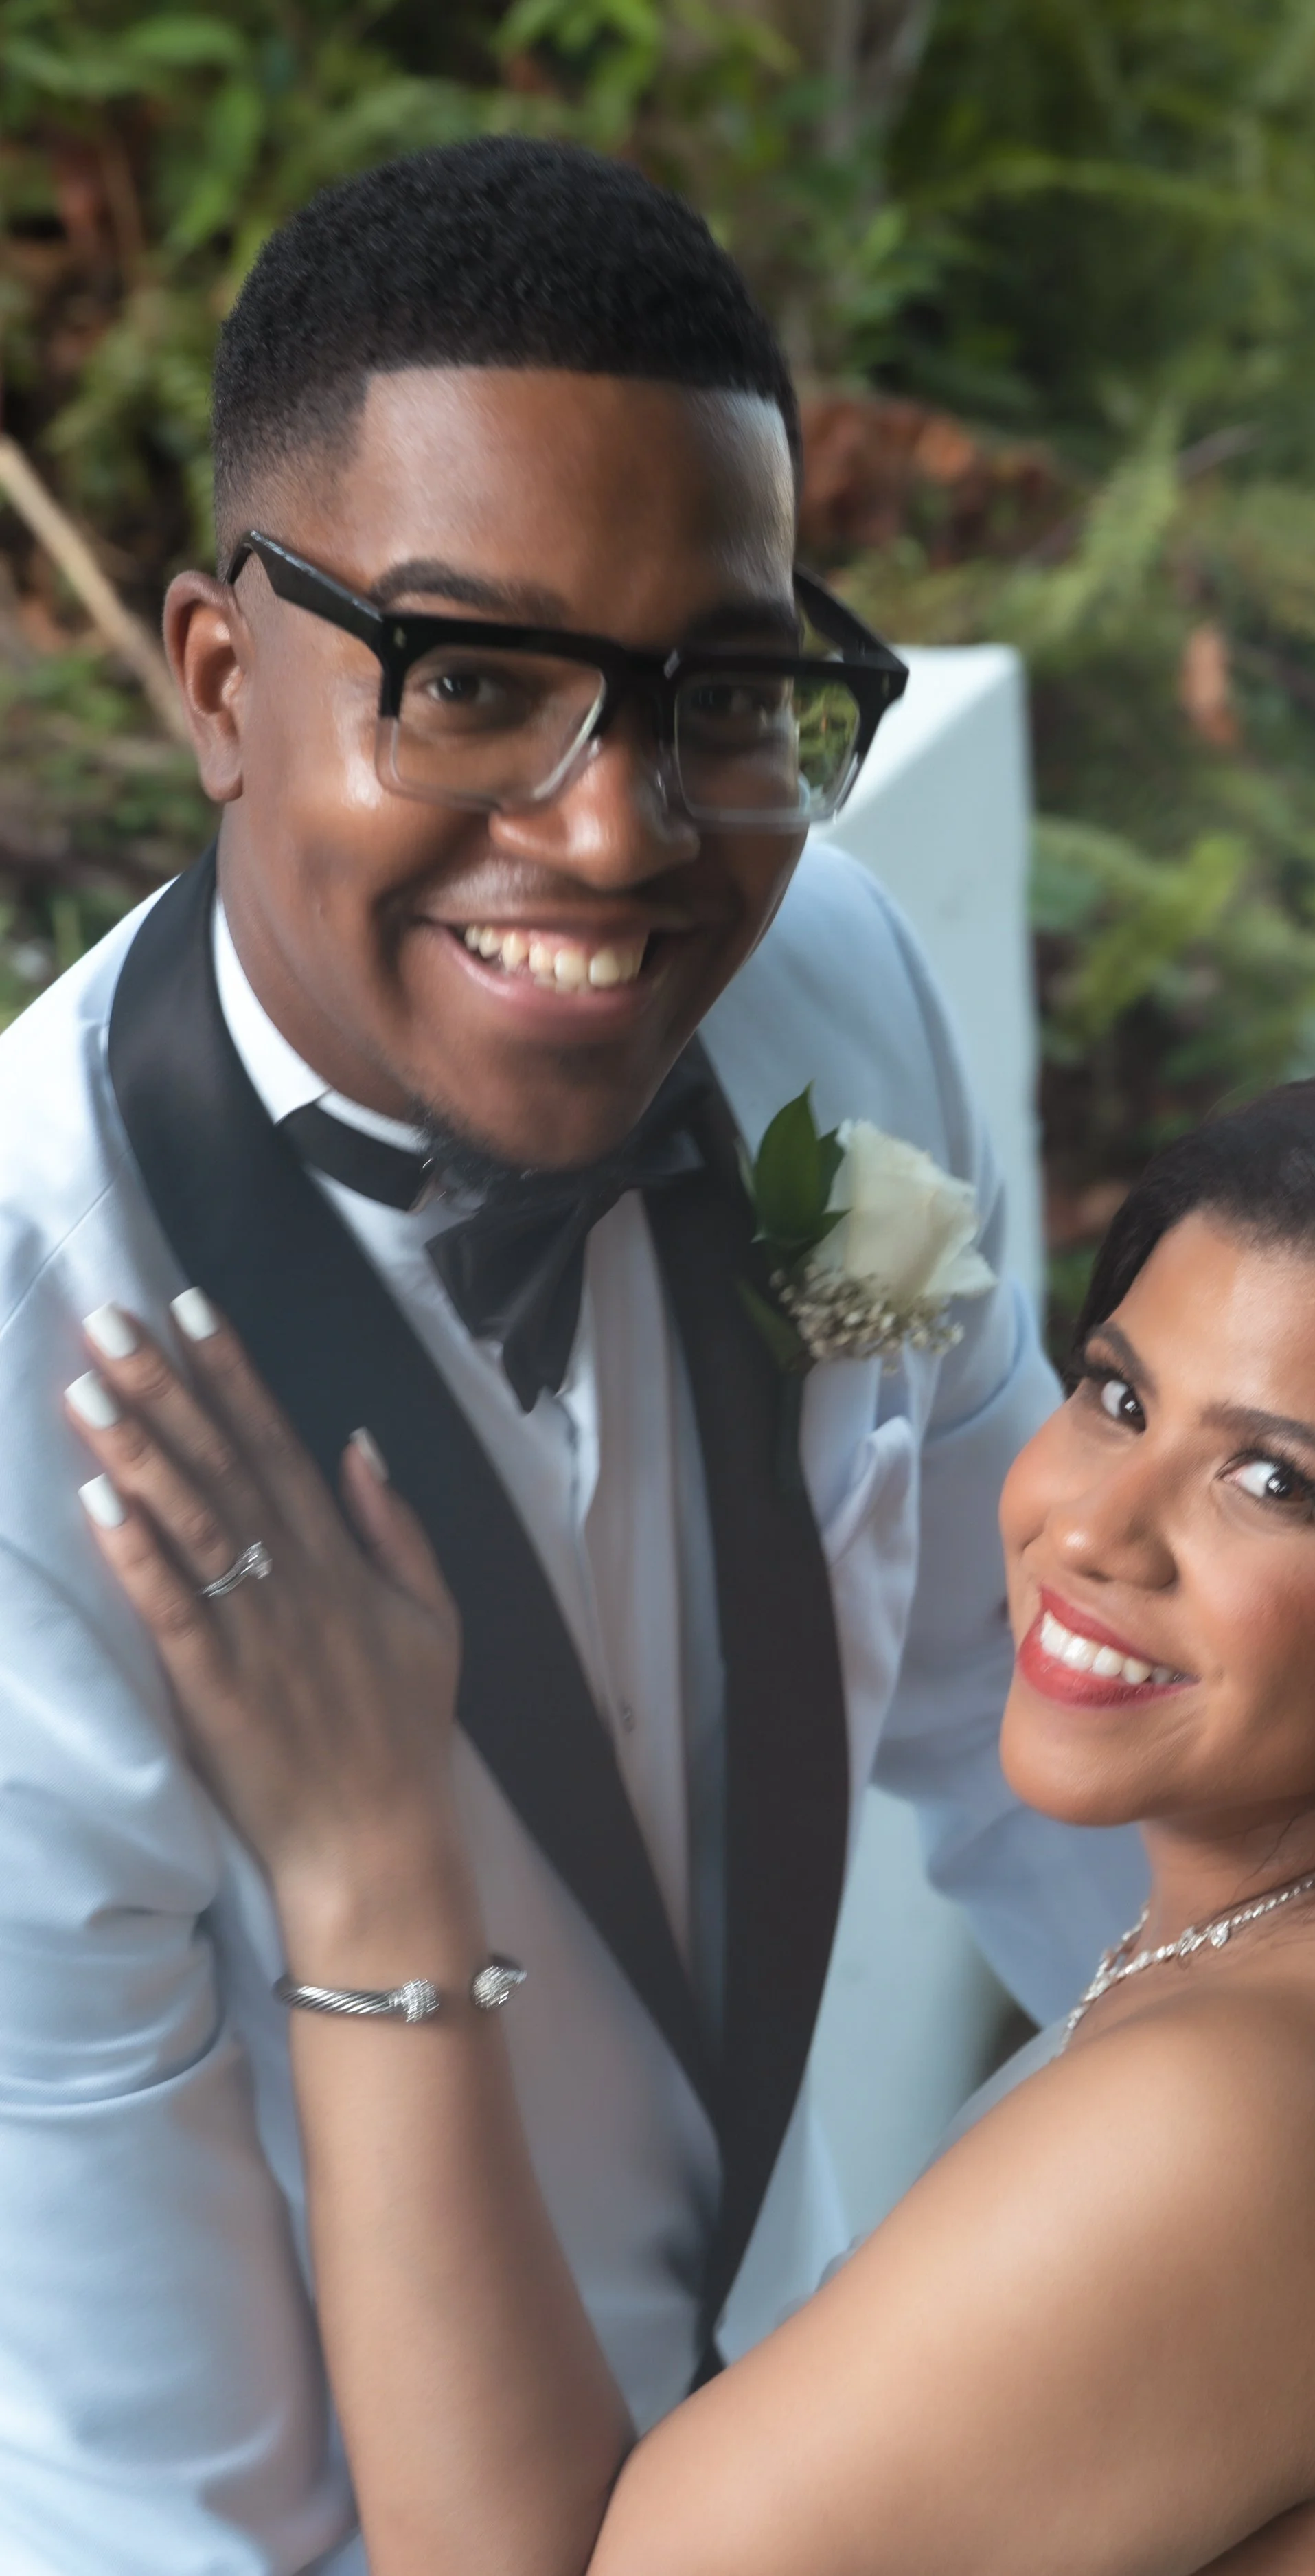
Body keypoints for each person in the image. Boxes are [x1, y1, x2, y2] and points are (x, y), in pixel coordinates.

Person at [0, 138, 1145, 2571]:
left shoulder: (830, 991)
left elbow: (1006, 1691)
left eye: (716, 692)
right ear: (221, 679)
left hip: (801, 2449)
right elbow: (148, 2472)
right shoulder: (31, 1351)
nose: (621, 834)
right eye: (473, 679)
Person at [66, 1065, 1315, 2574]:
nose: (1094, 1531)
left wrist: (367, 1862)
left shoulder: (1254, 2116)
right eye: (1117, 1397)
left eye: (1269, 1481)